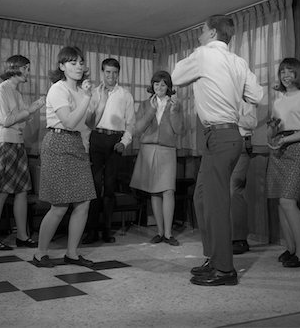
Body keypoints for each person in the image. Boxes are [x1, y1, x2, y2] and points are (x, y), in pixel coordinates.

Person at [172, 14, 263, 286]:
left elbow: (176, 76)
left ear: (212, 33)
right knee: (201, 198)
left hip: (222, 135)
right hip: (221, 137)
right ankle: (213, 257)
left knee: (216, 203)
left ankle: (225, 269)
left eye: (201, 30)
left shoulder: (203, 54)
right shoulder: (238, 61)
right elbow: (257, 95)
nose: (199, 34)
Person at [33, 46, 96, 268]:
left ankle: (72, 253)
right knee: (59, 205)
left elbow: (88, 123)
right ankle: (40, 254)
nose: (78, 66)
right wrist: (87, 97)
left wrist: (94, 99)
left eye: (80, 62)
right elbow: (68, 121)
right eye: (72, 63)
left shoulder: (81, 91)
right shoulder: (57, 89)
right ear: (62, 66)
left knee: (84, 202)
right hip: (58, 142)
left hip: (77, 144)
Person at [0, 55, 45, 250]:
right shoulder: (0, 90)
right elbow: (7, 120)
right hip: (4, 144)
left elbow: (20, 119)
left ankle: (22, 236)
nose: (28, 72)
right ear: (16, 69)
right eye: (26, 68)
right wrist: (31, 109)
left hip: (17, 143)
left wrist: (30, 110)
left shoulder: (16, 94)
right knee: (1, 193)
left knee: (22, 192)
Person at [266, 57, 300, 268]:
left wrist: (284, 140)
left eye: (290, 71)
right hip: (279, 148)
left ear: (298, 74)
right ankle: (291, 249)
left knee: (289, 201)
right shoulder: (277, 100)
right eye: (282, 72)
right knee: (281, 201)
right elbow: (274, 127)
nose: (285, 76)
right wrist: (271, 135)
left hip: (298, 148)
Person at [82, 58, 135, 244]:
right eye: (107, 72)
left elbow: (131, 124)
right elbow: (87, 123)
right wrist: (86, 145)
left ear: (118, 74)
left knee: (110, 188)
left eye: (114, 73)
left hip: (115, 142)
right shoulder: (93, 93)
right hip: (97, 139)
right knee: (94, 187)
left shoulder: (126, 95)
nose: (111, 76)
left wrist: (125, 142)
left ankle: (106, 231)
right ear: (102, 73)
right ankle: (91, 231)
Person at [130, 71, 184, 246]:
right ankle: (159, 232)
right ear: (152, 86)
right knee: (154, 191)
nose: (159, 88)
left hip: (167, 150)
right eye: (156, 84)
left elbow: (179, 130)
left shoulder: (175, 104)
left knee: (168, 190)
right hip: (148, 149)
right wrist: (151, 111)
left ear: (168, 87)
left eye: (163, 84)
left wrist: (175, 112)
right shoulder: (146, 104)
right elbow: (137, 129)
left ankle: (168, 234)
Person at [230, 101, 257, 255]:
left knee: (234, 189)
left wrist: (233, 116)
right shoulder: (220, 96)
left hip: (240, 144)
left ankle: (239, 238)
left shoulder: (245, 99)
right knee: (222, 190)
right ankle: (226, 235)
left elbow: (252, 122)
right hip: (220, 144)